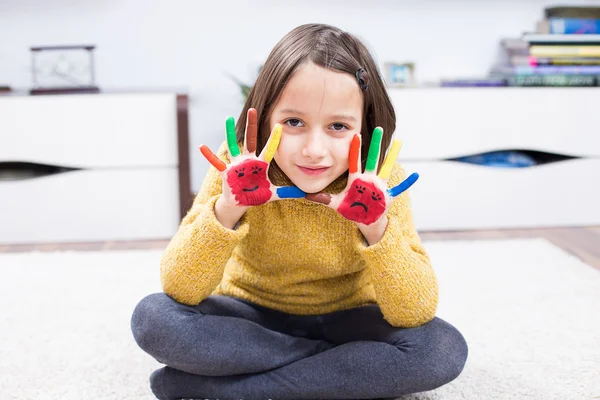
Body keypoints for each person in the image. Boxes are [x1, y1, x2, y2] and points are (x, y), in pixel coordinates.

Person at [131, 23, 468, 400]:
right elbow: (180, 287)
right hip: (250, 316)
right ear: (264, 116)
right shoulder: (236, 168)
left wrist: (376, 228)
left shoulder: (382, 184)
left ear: (368, 126)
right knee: (153, 319)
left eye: (338, 126)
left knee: (441, 348)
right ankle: (335, 366)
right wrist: (228, 208)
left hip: (349, 316)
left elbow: (414, 312)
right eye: (293, 122)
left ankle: (234, 389)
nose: (314, 150)